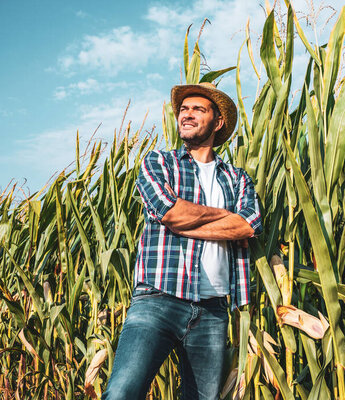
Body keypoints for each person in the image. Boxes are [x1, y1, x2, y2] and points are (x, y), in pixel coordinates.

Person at [102, 82, 262, 400]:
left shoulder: (238, 178)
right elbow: (169, 212)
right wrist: (216, 219)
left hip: (214, 310)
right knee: (122, 392)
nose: (186, 114)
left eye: (197, 109)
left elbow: (248, 225)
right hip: (158, 300)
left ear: (218, 122)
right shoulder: (159, 163)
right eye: (183, 109)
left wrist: (187, 222)